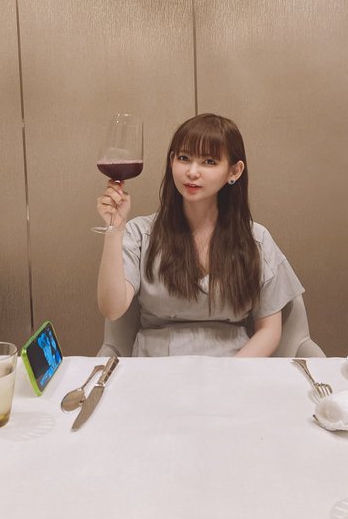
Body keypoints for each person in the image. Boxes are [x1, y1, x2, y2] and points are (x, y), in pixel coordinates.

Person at [96, 113, 304, 357]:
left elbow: (269, 330)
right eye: (184, 158)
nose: (192, 172)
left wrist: (228, 372)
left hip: (233, 366)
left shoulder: (256, 239)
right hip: (156, 367)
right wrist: (115, 229)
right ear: (172, 161)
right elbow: (112, 309)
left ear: (234, 171)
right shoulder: (140, 234)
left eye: (209, 161)